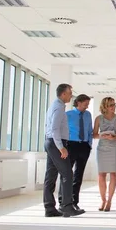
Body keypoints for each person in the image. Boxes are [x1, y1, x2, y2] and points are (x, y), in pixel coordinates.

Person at [44, 84, 85, 217]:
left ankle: (49, 208)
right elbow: (55, 129)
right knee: (67, 174)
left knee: (50, 176)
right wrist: (61, 147)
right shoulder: (58, 108)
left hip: (50, 142)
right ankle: (67, 207)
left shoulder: (56, 106)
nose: (71, 95)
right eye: (69, 93)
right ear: (63, 94)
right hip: (56, 143)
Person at [58, 94, 92, 211]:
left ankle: (74, 202)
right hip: (71, 145)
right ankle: (63, 201)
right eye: (85, 104)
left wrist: (89, 144)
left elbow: (89, 130)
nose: (87, 107)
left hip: (84, 146)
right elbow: (61, 130)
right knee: (66, 174)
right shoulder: (67, 115)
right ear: (78, 102)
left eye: (88, 104)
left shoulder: (88, 115)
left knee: (78, 175)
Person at [93, 97, 116, 212]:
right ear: (105, 106)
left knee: (113, 174)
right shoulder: (98, 119)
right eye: (111, 105)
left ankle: (109, 200)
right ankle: (103, 200)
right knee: (101, 175)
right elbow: (94, 134)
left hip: (114, 148)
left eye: (114, 104)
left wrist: (114, 137)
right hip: (102, 148)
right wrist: (102, 135)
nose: (113, 107)